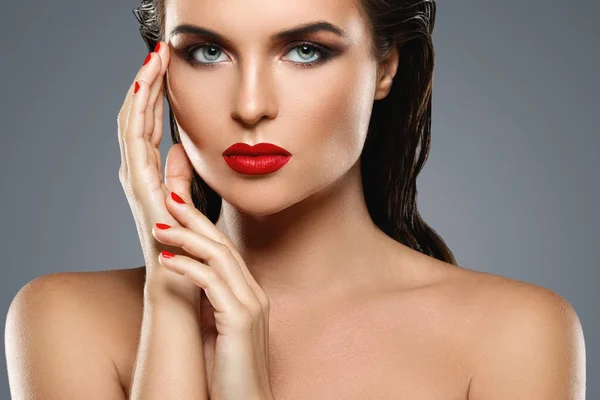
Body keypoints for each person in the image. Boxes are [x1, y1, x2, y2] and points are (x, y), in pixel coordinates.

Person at [5, 0, 586, 398]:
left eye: (305, 50)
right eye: (208, 52)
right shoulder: (64, 319)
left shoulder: (515, 334)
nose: (251, 104)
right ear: (158, 70)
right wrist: (172, 305)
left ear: (386, 65)